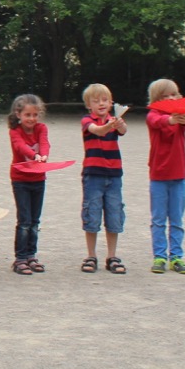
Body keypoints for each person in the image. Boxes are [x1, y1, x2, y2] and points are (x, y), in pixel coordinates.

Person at [80, 83, 127, 274]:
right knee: (92, 214)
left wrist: (119, 124)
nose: (101, 104)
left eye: (105, 100)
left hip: (114, 175)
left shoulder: (114, 121)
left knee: (114, 214)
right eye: (96, 101)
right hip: (93, 175)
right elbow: (97, 130)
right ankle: (91, 255)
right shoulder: (87, 120)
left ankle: (112, 256)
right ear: (88, 105)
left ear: (111, 103)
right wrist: (109, 125)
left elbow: (123, 131)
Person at [146, 78, 185, 275]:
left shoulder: (182, 115)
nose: (171, 98)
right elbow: (157, 121)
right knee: (158, 219)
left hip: (179, 175)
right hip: (158, 176)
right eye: (165, 96)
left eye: (174, 94)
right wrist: (170, 119)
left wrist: (179, 117)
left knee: (177, 219)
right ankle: (159, 257)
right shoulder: (153, 115)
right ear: (156, 100)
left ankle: (176, 257)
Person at [8, 94, 49, 275]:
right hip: (21, 180)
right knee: (24, 221)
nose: (32, 119)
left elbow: (44, 143)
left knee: (34, 221)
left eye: (35, 115)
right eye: (27, 115)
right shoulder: (15, 131)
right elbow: (20, 146)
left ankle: (31, 255)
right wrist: (34, 156)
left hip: (39, 179)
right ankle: (20, 258)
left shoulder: (41, 128)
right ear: (18, 114)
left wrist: (44, 155)